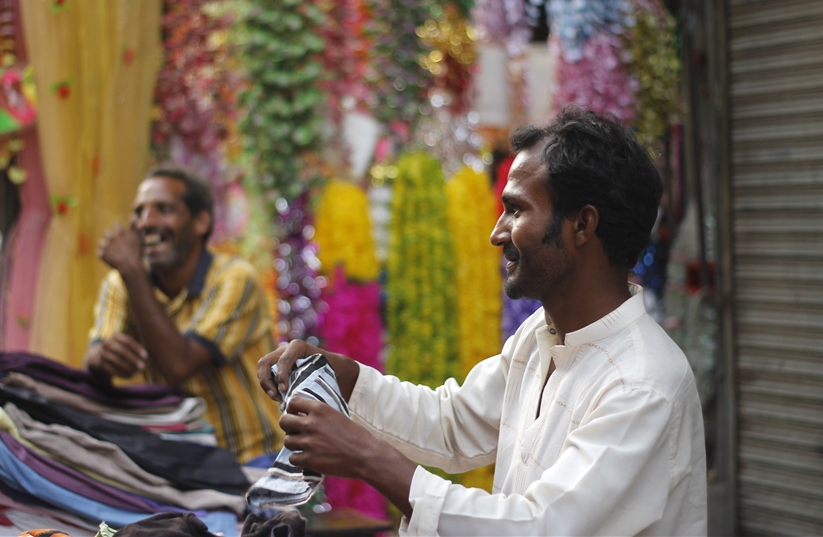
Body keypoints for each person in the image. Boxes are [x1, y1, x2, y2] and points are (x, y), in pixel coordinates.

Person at [258, 107, 707, 536]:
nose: (497, 233)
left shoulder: (642, 384)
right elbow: (453, 425)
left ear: (582, 225)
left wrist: (366, 458)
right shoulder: (542, 335)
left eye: (516, 210)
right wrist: (346, 377)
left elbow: (537, 528)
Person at [87, 165, 283, 464]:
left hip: (256, 458)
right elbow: (93, 364)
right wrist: (102, 358)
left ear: (201, 221)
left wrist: (133, 272)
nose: (146, 222)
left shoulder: (234, 278)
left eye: (163, 209)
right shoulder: (121, 283)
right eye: (139, 212)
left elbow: (179, 365)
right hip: (180, 461)